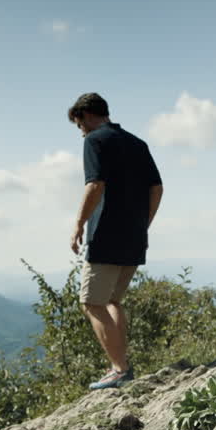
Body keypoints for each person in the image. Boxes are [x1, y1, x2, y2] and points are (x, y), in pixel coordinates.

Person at [66, 92, 163, 390]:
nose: (79, 130)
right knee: (112, 301)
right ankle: (120, 367)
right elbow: (157, 188)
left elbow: (95, 184)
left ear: (85, 116)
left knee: (91, 303)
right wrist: (142, 224)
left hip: (105, 234)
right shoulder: (137, 143)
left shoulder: (94, 141)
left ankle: (120, 370)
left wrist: (79, 224)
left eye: (78, 124)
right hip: (134, 237)